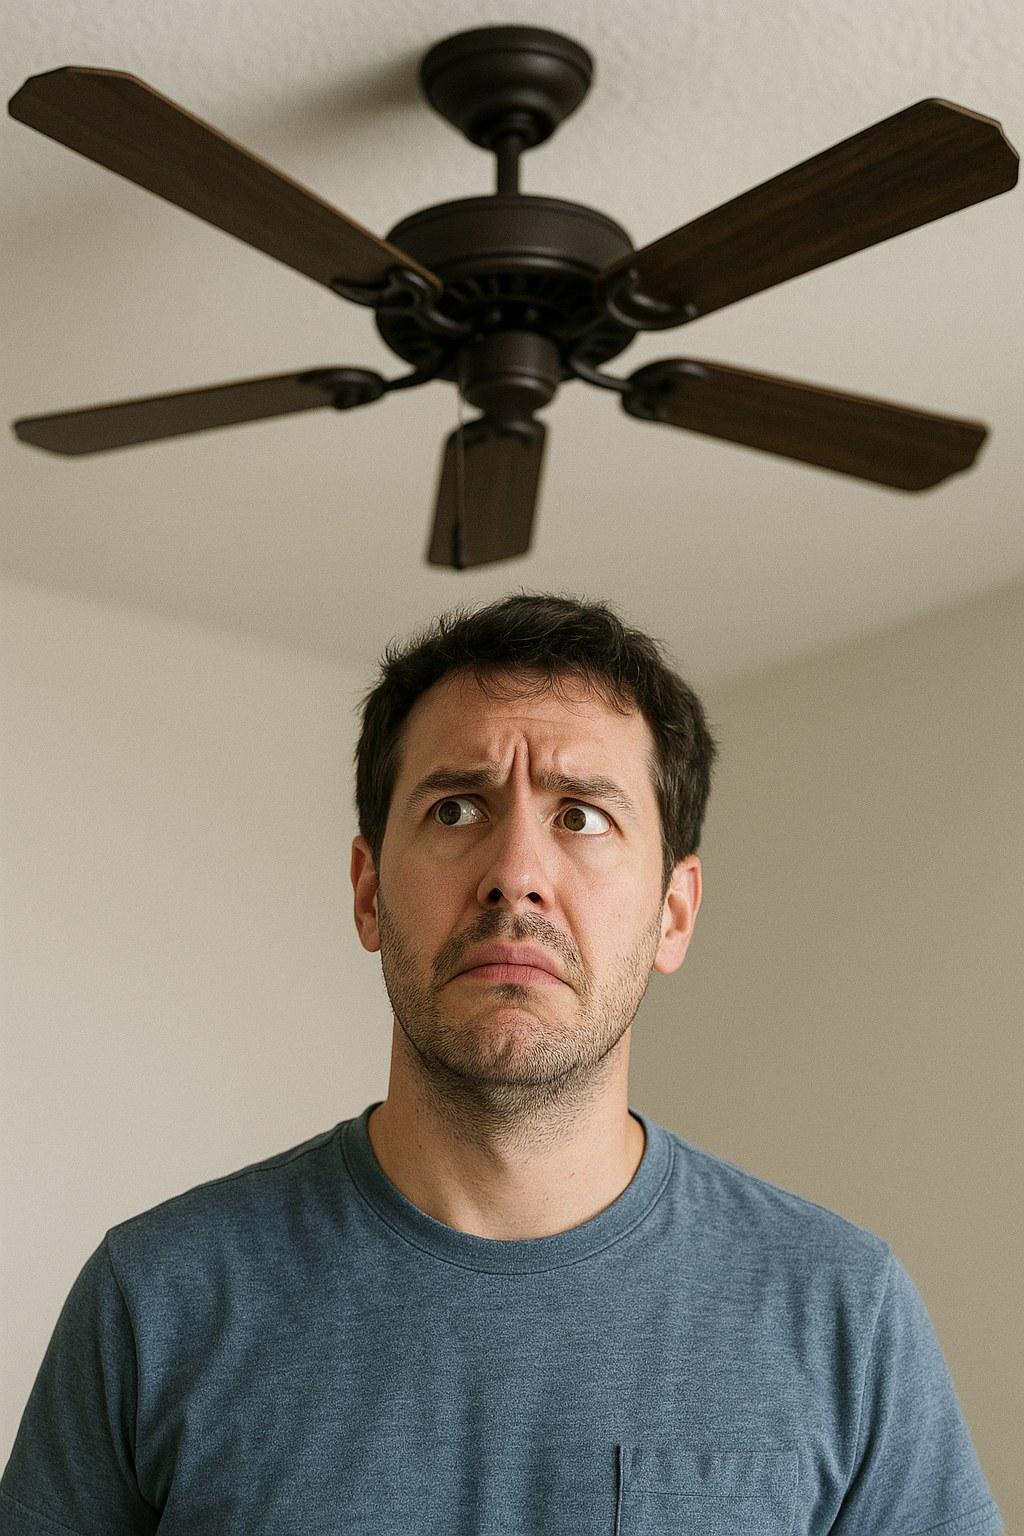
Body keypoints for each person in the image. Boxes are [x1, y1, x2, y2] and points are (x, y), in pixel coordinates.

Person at [0, 591, 1003, 1535]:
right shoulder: (156, 1299)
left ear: (673, 912)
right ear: (368, 891)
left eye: (582, 815)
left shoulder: (842, 1310)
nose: (515, 874)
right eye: (455, 809)